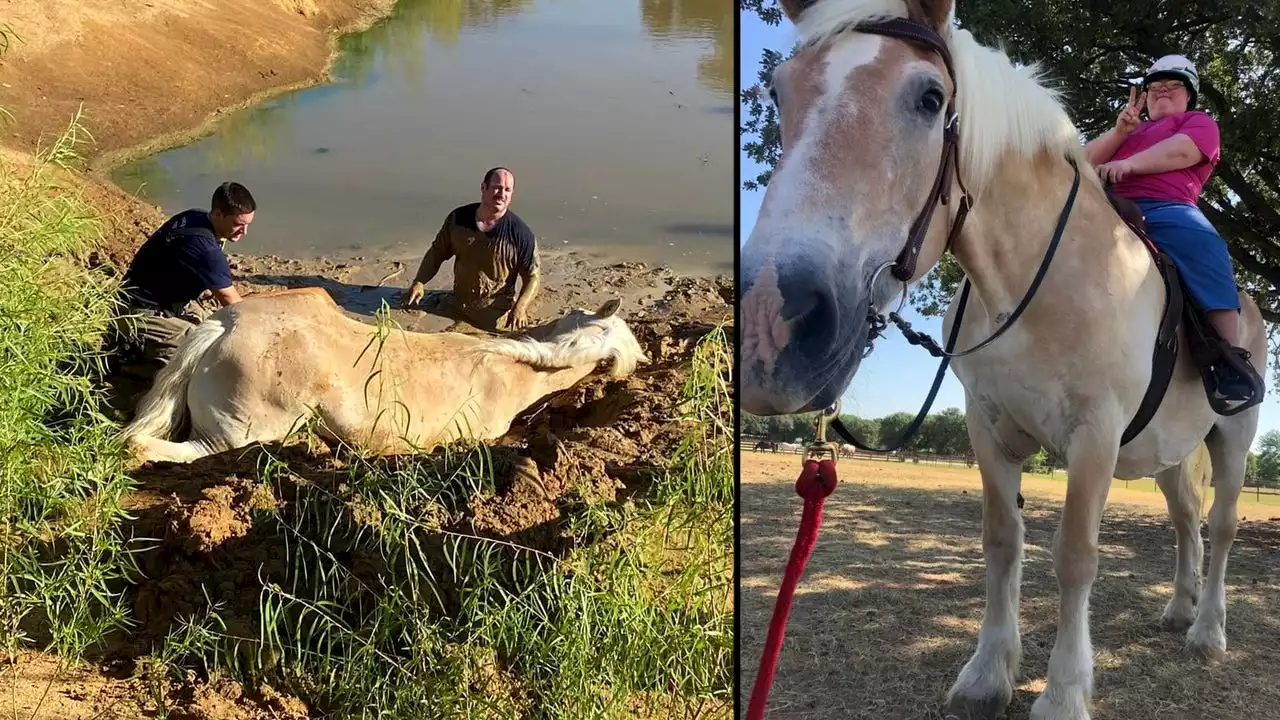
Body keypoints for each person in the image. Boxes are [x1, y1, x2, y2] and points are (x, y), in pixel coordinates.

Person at [1085, 54, 1261, 408]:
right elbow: (1081, 163)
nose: (1162, 92)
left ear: (1189, 94)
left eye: (1172, 85)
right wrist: (1119, 132)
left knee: (1203, 243)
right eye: (1154, 87)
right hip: (1104, 205)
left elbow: (1181, 152)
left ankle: (1230, 358)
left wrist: (1129, 163)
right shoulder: (1128, 129)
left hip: (1167, 208)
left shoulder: (1198, 123)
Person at [111, 181, 255, 372]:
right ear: (219, 214)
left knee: (215, 328)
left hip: (166, 301)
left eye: (247, 225)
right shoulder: (204, 248)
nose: (244, 232)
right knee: (203, 355)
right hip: (137, 310)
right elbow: (234, 304)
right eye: (238, 224)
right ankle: (133, 365)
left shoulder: (194, 216)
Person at [400, 167, 541, 331]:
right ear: (483, 187)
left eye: (507, 190)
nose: (501, 194)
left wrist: (521, 307)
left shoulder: (520, 234)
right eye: (497, 187)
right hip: (457, 301)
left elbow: (533, 276)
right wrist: (419, 281)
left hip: (494, 312)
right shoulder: (458, 219)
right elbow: (436, 253)